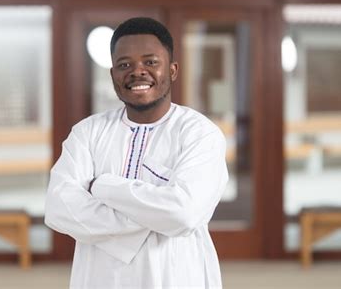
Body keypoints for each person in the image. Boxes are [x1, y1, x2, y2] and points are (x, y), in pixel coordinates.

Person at [45, 17, 231, 288]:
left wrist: (103, 186)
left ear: (173, 70)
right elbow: (58, 208)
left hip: (176, 278)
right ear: (112, 75)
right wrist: (155, 215)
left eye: (151, 62)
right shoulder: (87, 133)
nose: (137, 72)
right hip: (100, 279)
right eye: (125, 65)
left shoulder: (199, 134)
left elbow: (183, 214)